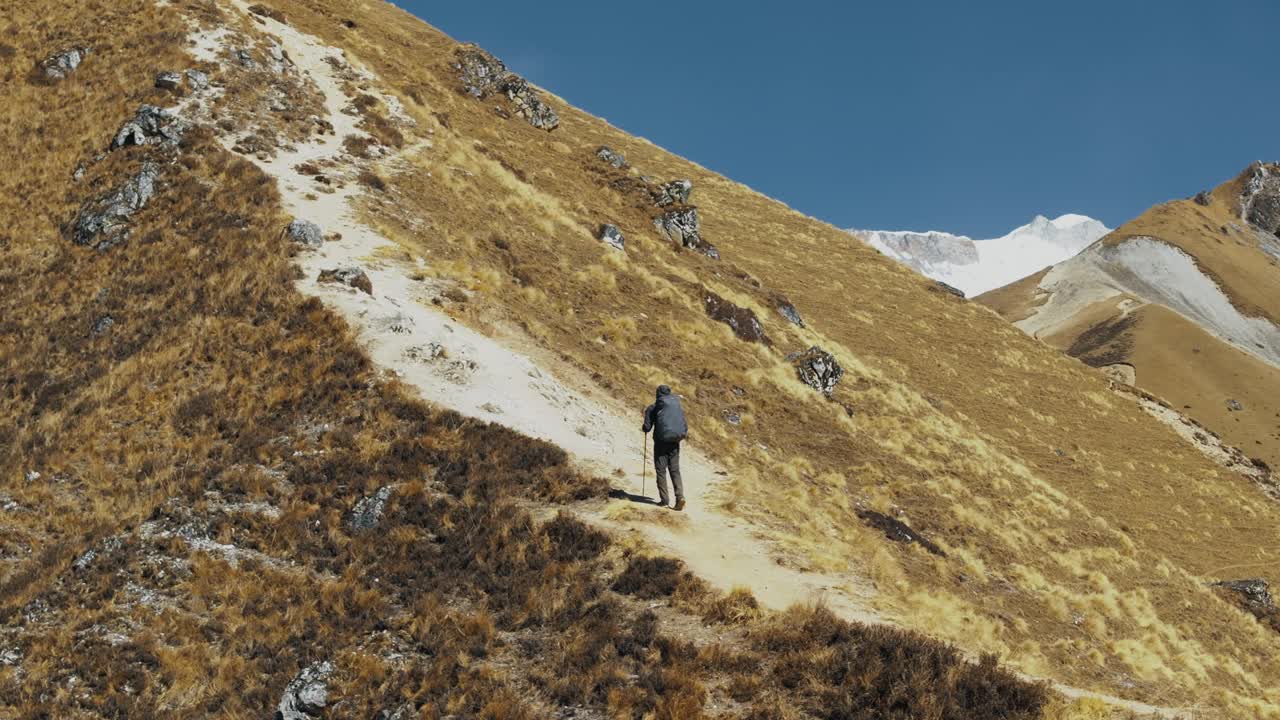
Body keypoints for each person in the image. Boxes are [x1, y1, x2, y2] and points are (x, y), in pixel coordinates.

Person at [641, 384, 688, 510]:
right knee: (675, 470)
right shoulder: (676, 405)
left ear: (658, 394)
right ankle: (680, 497)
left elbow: (647, 427)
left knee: (661, 471)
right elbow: (684, 424)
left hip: (661, 443)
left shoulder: (654, 407)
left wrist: (645, 426)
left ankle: (664, 500)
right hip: (675, 442)